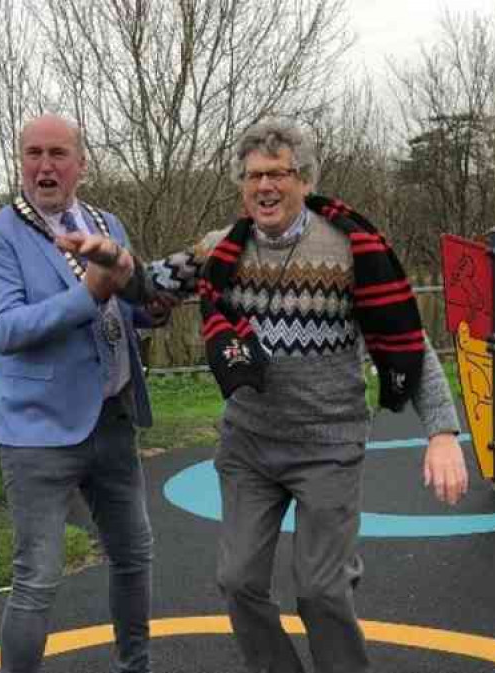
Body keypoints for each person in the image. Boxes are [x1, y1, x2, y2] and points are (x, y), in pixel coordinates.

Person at [71, 117, 469, 673]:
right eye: (254, 175)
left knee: (321, 591)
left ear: (304, 180)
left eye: (279, 174)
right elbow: (149, 286)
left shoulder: (351, 250)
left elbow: (409, 342)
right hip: (250, 446)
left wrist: (442, 432)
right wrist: (114, 260)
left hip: (328, 445)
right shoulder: (220, 251)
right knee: (237, 582)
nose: (265, 186)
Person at [0, 114, 156, 673]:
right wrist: (90, 293)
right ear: (20, 160)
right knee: (37, 579)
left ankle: (136, 667)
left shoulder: (108, 221)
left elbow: (131, 308)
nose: (44, 166)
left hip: (112, 418)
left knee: (134, 556)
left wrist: (153, 304)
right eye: (32, 153)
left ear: (81, 164)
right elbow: (5, 329)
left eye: (57, 154)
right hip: (38, 432)